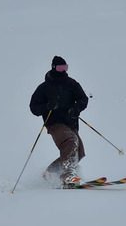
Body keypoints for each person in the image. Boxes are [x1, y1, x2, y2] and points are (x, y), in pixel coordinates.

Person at [29, 56, 89, 186]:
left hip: (71, 121)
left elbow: (83, 99)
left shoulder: (71, 84)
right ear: (53, 68)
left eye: (65, 67)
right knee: (70, 141)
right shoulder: (44, 87)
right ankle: (67, 175)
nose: (62, 71)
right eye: (60, 68)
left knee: (79, 151)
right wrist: (46, 106)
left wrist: (76, 109)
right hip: (54, 123)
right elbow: (33, 107)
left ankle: (51, 172)